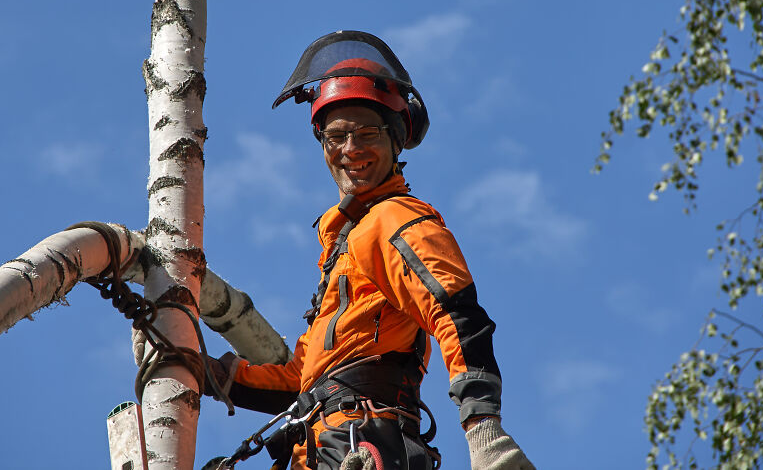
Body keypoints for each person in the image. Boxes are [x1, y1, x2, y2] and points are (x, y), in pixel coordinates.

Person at [205, 31, 534, 470]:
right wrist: (202, 370)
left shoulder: (393, 218)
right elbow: (301, 380)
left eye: (367, 133)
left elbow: (457, 314)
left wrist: (485, 433)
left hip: (362, 441)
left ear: (396, 141)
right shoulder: (345, 243)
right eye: (336, 136)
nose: (351, 150)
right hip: (324, 444)